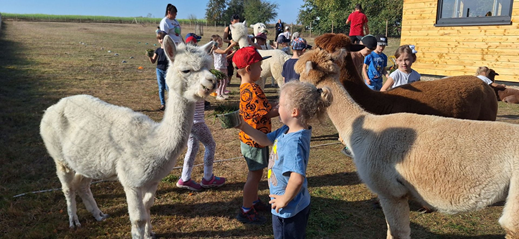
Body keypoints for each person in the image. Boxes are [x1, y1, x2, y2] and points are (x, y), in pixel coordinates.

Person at [236, 81, 333, 238]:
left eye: (279, 105)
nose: (275, 108)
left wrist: (283, 201)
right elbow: (265, 140)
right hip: (293, 203)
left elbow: (297, 178)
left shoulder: (293, 143)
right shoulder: (287, 130)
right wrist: (243, 126)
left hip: (289, 210)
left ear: (294, 112)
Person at [232, 46, 279, 225]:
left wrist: (274, 105)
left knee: (257, 173)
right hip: (255, 141)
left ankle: (253, 201)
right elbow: (267, 113)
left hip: (251, 140)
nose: (261, 69)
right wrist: (284, 109)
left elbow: (263, 108)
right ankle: (245, 209)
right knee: (254, 175)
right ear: (249, 69)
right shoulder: (253, 89)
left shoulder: (248, 87)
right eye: (259, 66)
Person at [176, 98, 226, 191]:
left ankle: (185, 178)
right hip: (196, 122)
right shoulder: (196, 84)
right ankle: (208, 178)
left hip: (188, 121)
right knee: (210, 145)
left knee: (193, 147)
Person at [211, 34, 237, 100]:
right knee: (221, 82)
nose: (221, 42)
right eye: (219, 40)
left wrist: (233, 53)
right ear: (214, 43)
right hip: (219, 67)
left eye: (221, 40)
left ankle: (222, 93)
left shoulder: (220, 49)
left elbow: (226, 57)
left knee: (225, 81)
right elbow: (224, 52)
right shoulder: (215, 50)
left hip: (224, 67)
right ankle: (218, 95)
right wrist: (232, 45)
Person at [148, 30, 169, 111]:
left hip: (167, 71)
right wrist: (149, 56)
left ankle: (170, 103)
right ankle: (163, 104)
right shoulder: (158, 50)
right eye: (159, 39)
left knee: (168, 88)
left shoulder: (169, 50)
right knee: (161, 87)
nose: (161, 40)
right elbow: (153, 61)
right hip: (159, 70)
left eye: (163, 39)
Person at [223, 14, 241, 92]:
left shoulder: (241, 27)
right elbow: (224, 39)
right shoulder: (228, 28)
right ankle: (228, 80)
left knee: (240, 64)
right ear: (231, 21)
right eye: (235, 22)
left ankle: (242, 80)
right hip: (231, 47)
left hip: (239, 48)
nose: (236, 23)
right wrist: (230, 41)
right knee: (229, 65)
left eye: (238, 22)